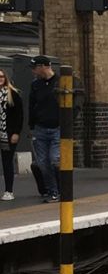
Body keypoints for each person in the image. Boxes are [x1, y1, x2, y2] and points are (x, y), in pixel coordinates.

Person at [28, 56, 60, 203]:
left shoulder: (59, 82)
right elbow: (31, 105)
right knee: (42, 163)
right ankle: (53, 191)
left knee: (55, 160)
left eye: (34, 68)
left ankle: (61, 188)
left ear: (43, 66)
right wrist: (31, 126)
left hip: (57, 128)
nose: (33, 71)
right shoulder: (35, 85)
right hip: (40, 128)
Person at [0, 69, 25, 200]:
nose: (0, 79)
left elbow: (19, 115)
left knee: (7, 162)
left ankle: (9, 191)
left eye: (2, 76)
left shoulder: (13, 94)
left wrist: (16, 132)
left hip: (7, 134)